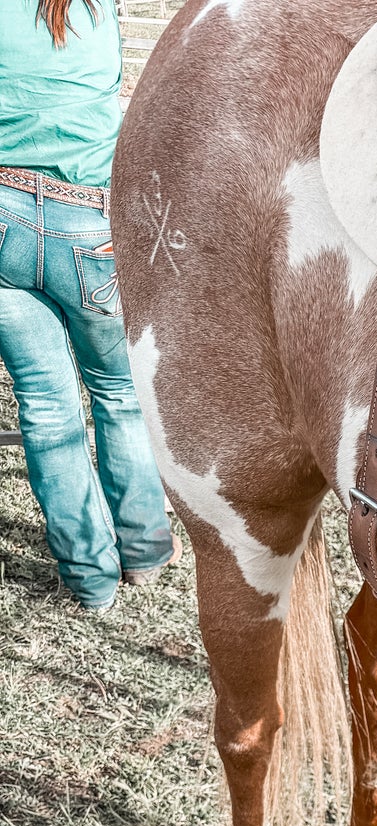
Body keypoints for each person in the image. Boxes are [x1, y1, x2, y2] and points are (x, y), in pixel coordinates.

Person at [0, 0, 176, 613]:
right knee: (120, 393)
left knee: (46, 406)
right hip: (88, 221)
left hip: (2, 220)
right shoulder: (94, 11)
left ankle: (89, 576)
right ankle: (145, 549)